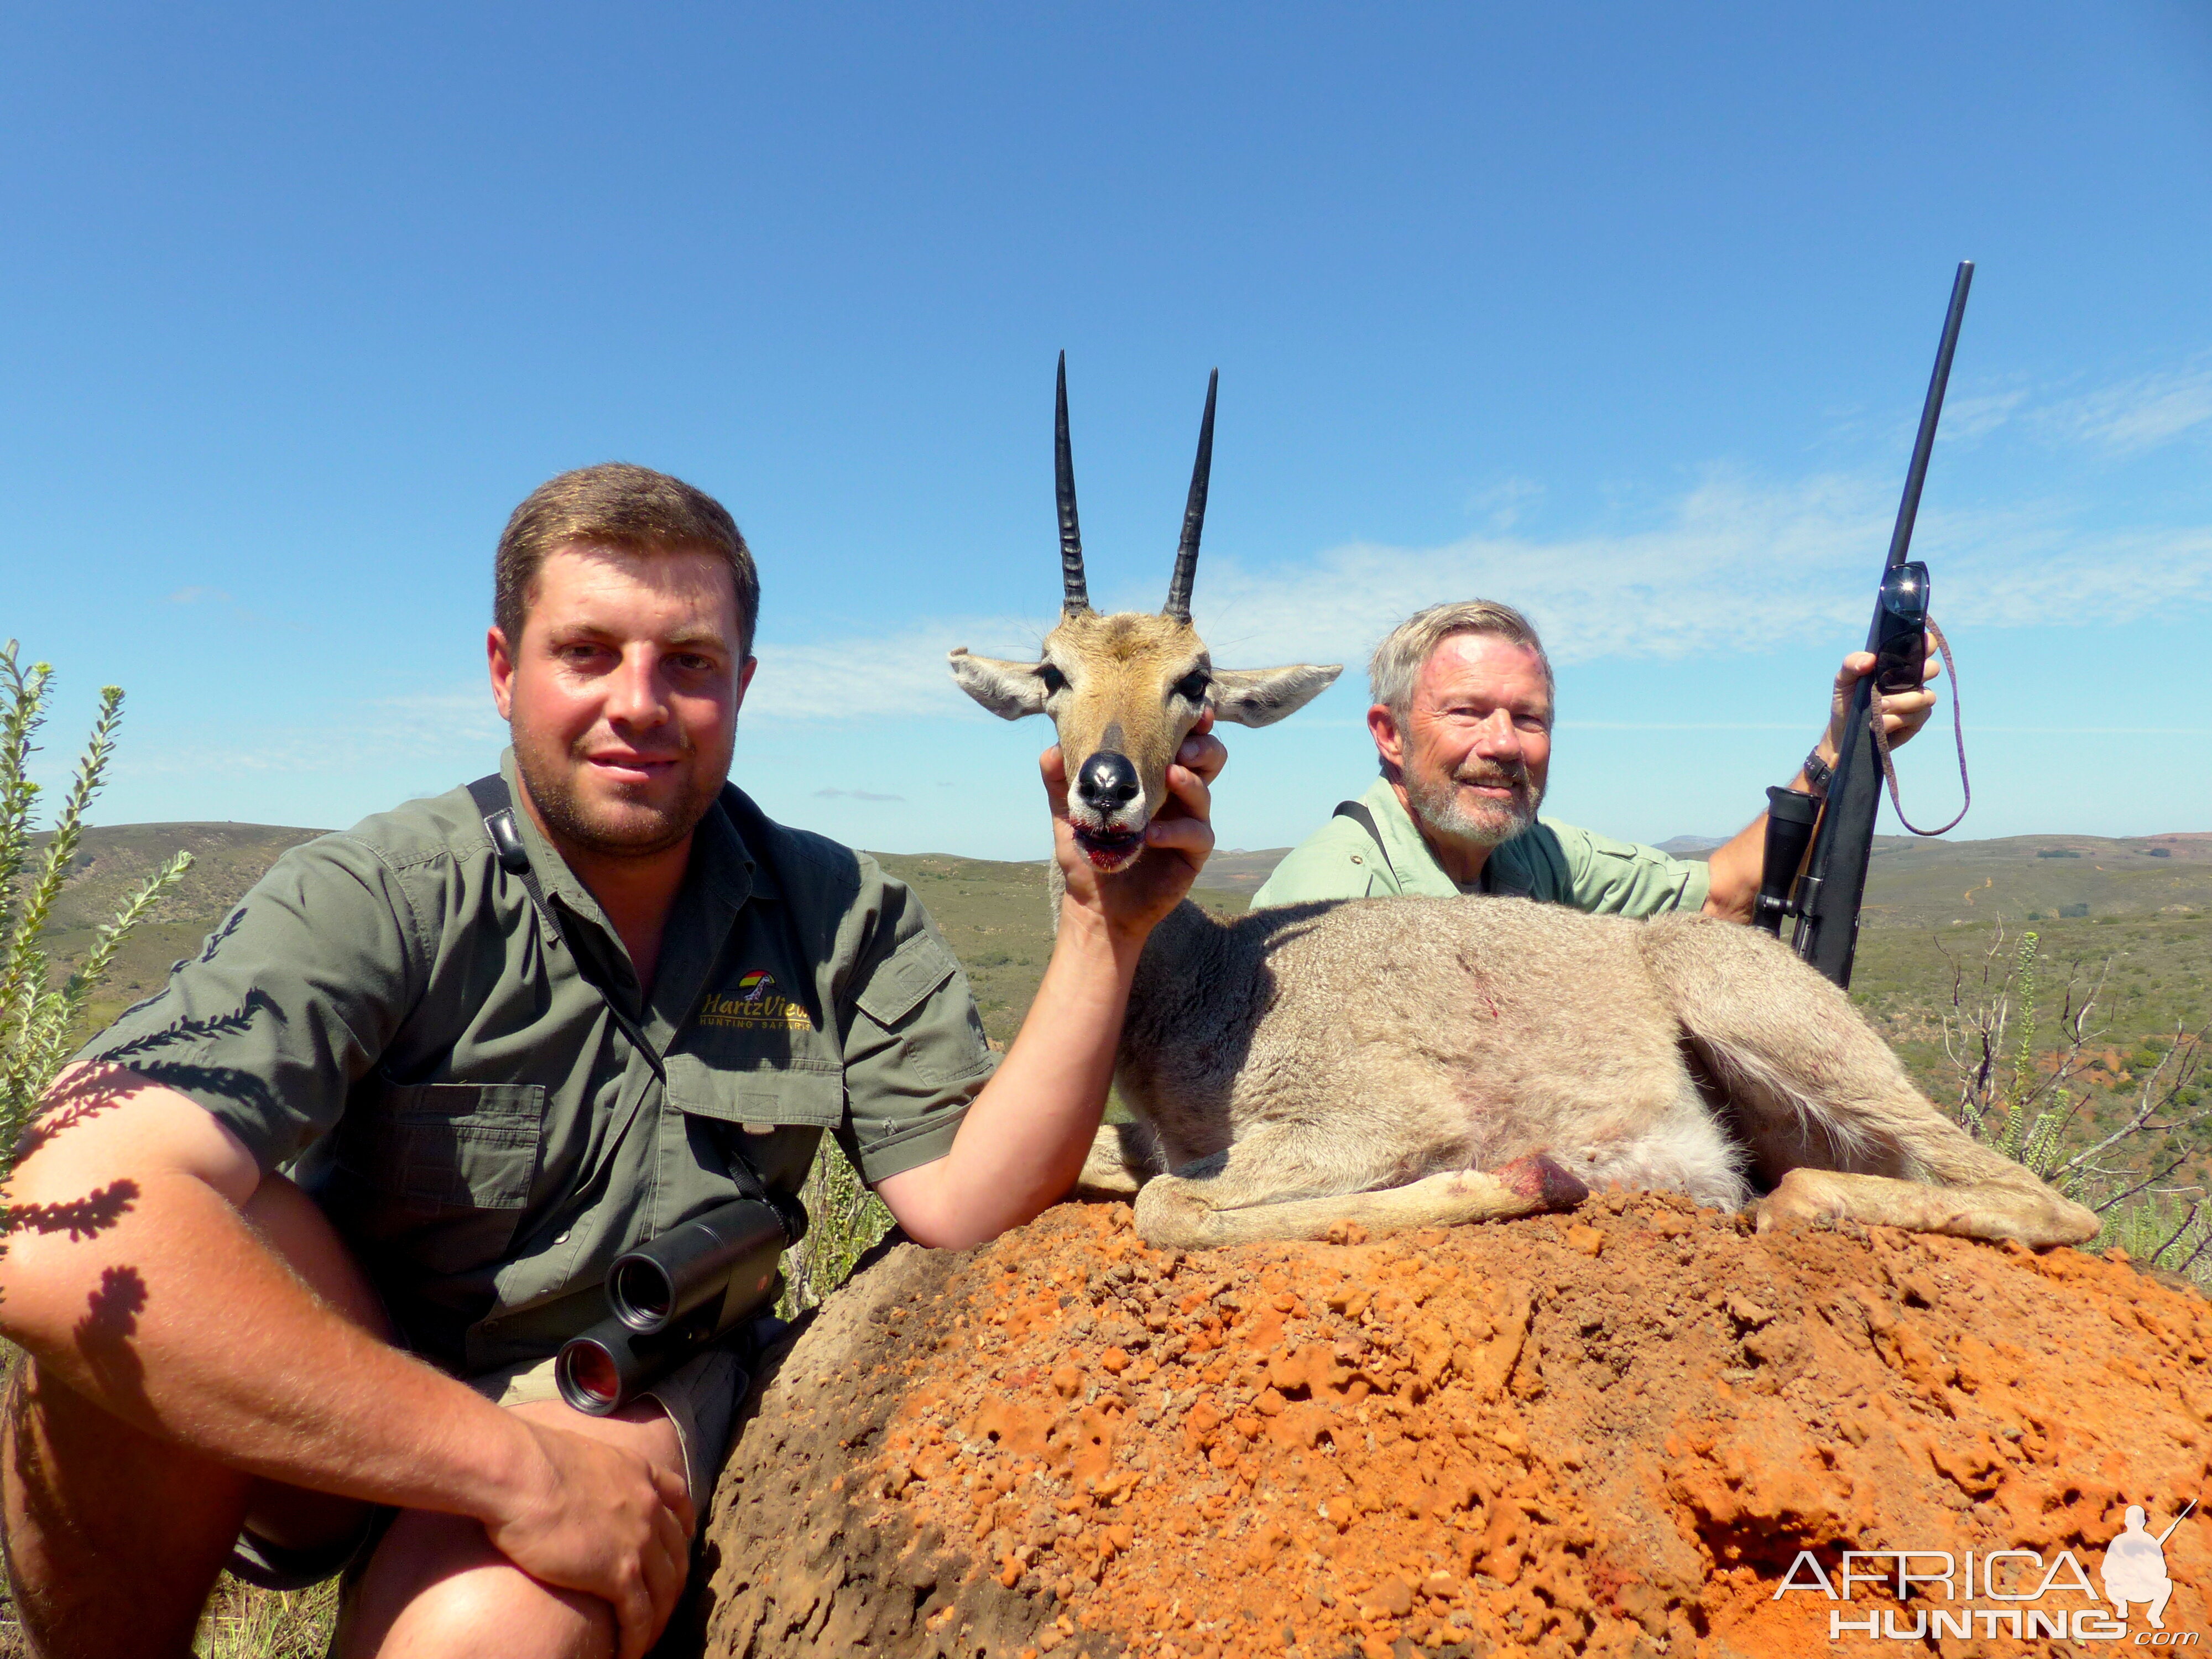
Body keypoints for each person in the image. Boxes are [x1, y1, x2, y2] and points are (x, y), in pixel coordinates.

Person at [0, 463, 1226, 1659]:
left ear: (741, 686)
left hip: (624, 1398)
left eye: (686, 664)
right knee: (109, 1328)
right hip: (353, 1389)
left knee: (488, 1627)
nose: (638, 702)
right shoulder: (382, 891)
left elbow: (962, 1198)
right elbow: (52, 1220)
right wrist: (500, 1464)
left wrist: (1097, 922)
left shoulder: (841, 912)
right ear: (502, 672)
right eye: (587, 653)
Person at [1250, 599, 1938, 919]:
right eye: (1466, 712)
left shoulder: (1538, 856)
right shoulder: (1331, 894)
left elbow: (1724, 894)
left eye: (1529, 719)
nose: (1503, 745)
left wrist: (1834, 750)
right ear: (1389, 734)